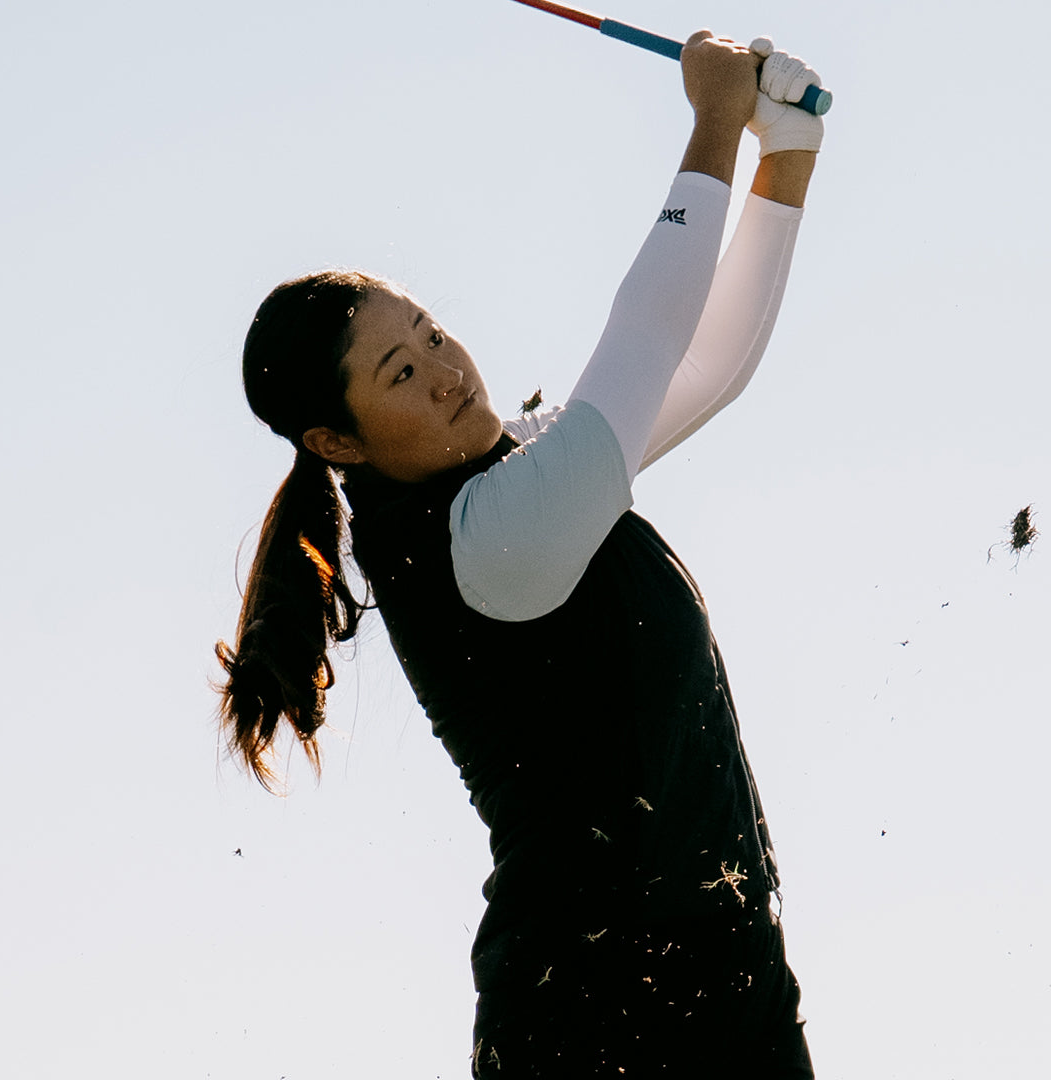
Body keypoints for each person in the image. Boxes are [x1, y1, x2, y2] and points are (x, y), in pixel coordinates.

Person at [218, 30, 824, 1078]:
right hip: (594, 1030)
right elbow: (644, 338)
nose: (447, 370)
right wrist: (716, 121)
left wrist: (788, 151)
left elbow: (704, 363)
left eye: (435, 333)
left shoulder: (530, 474)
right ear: (338, 442)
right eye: (401, 371)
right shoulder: (484, 544)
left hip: (728, 989)